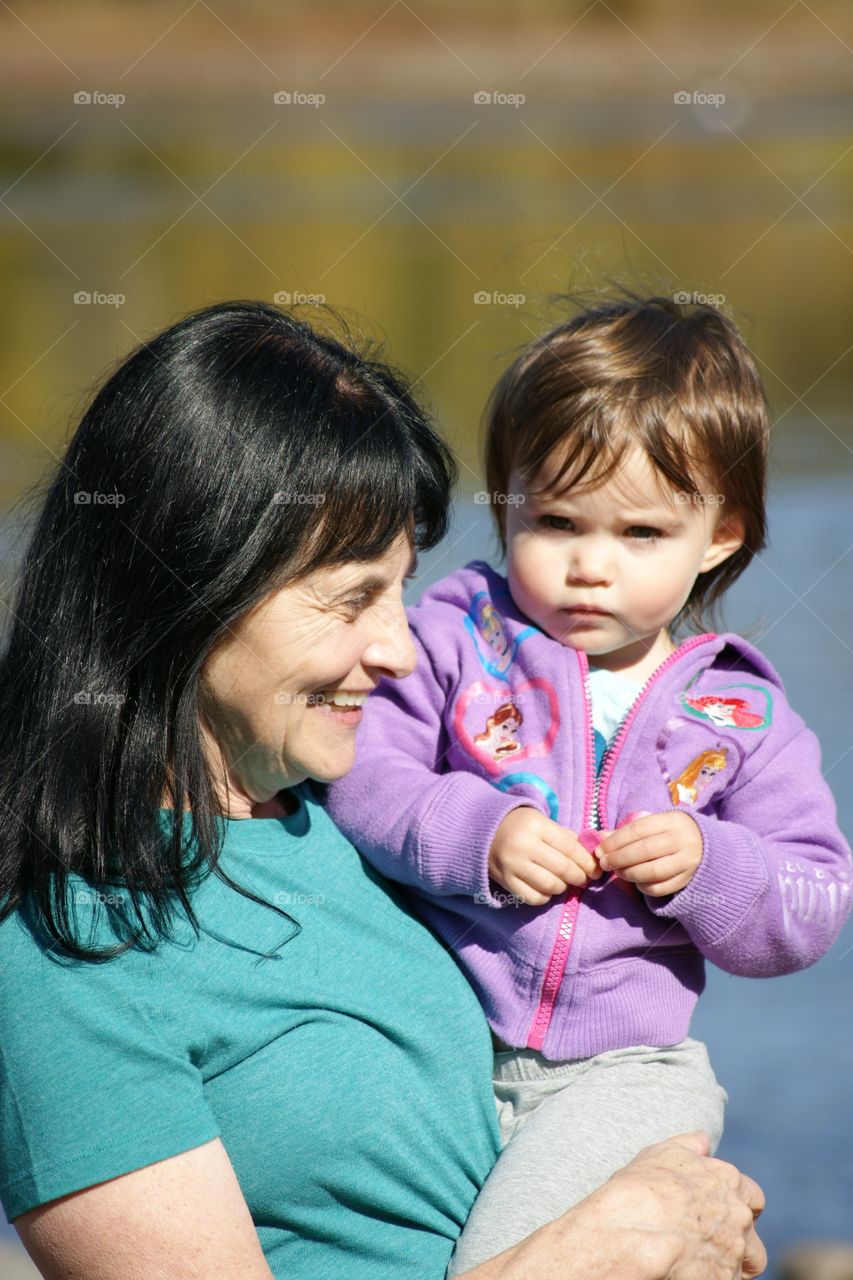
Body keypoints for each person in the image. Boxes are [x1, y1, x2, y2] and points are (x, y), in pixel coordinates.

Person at [0, 300, 766, 1280]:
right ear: (193, 580)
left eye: (401, 590)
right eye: (350, 596)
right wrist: (593, 1250)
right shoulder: (70, 959)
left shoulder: (347, 818)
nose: (399, 650)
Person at [323, 294, 853, 1274]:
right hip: (441, 1044)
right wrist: (474, 830)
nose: (588, 567)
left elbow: (815, 897)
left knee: (518, 1253)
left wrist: (710, 864)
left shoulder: (741, 713)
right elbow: (361, 771)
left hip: (623, 1075)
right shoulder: (454, 636)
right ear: (505, 500)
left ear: (721, 533)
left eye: (640, 534)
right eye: (555, 520)